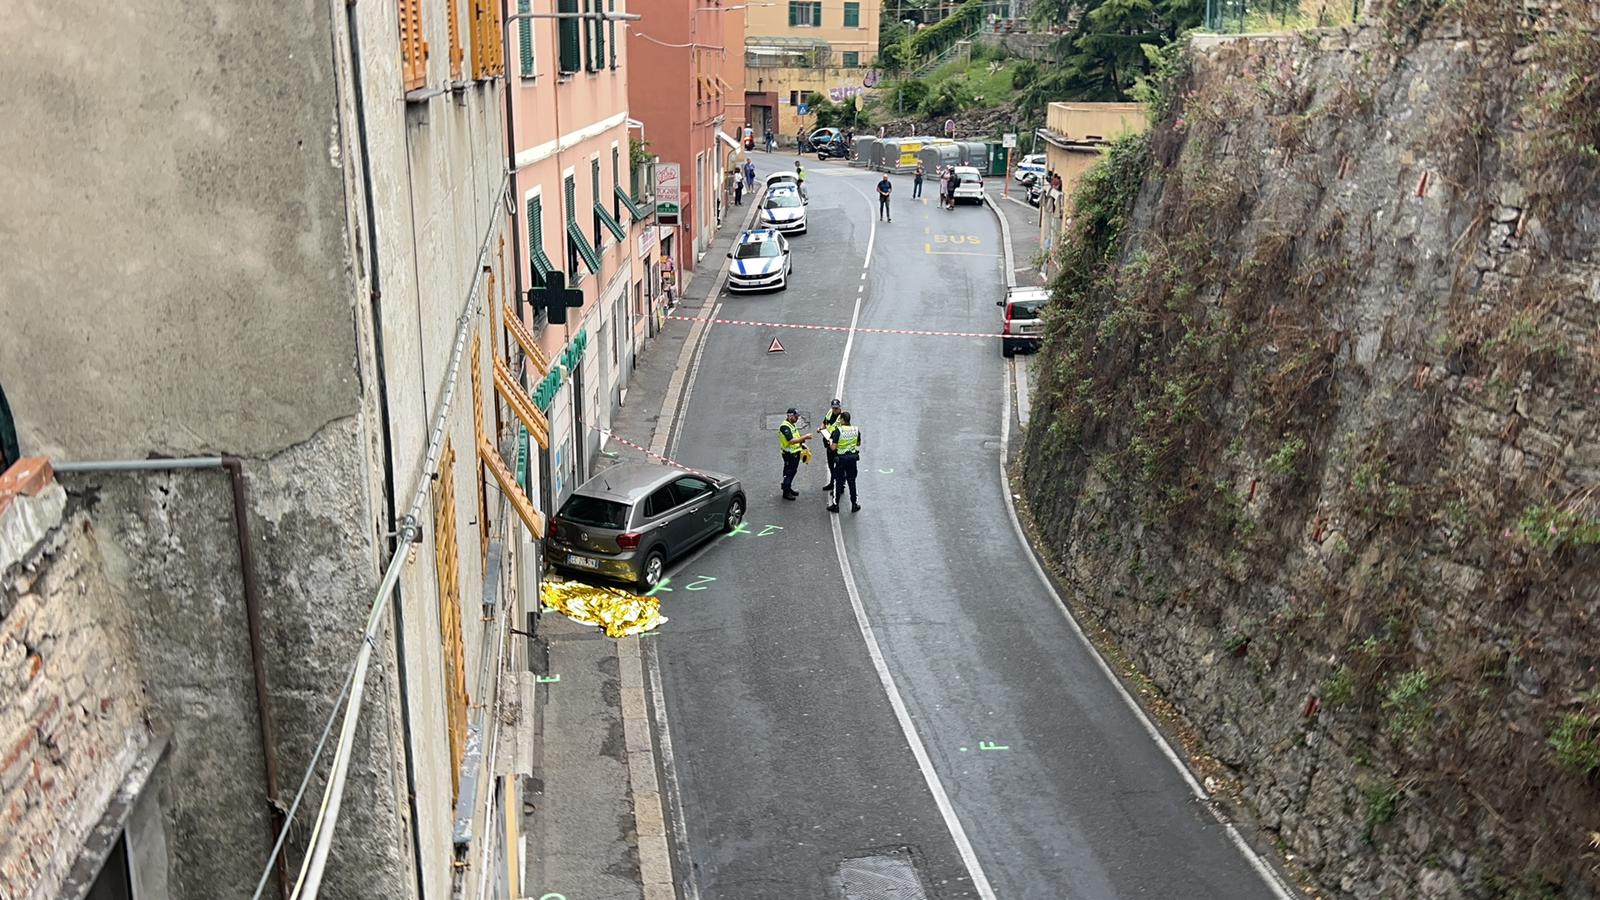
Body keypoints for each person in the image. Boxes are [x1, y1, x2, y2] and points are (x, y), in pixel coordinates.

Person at [825, 411, 862, 513]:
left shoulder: (838, 430)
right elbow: (858, 443)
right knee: (852, 481)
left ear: (842, 420)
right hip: (852, 459)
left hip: (841, 459)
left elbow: (833, 447)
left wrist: (830, 442)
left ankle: (835, 505)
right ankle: (854, 504)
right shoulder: (855, 429)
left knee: (838, 481)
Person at [778, 408, 813, 500]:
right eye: (795, 417)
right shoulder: (785, 427)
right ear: (789, 416)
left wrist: (802, 445)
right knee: (789, 472)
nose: (797, 419)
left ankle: (788, 488)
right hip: (789, 454)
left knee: (792, 471)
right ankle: (786, 492)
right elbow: (791, 440)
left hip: (795, 452)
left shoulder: (792, 425)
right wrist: (805, 437)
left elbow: (796, 437)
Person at [817, 399, 843, 492]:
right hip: (828, 443)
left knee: (839, 467)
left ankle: (840, 486)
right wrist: (820, 428)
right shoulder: (829, 413)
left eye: (836, 408)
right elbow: (824, 423)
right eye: (833, 408)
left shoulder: (842, 418)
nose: (834, 410)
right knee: (831, 466)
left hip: (837, 446)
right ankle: (833, 483)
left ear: (840, 407)